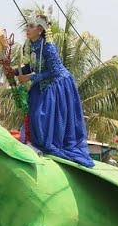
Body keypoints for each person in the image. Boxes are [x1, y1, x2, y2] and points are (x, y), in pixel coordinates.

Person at [14, 13, 93, 168]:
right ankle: (35, 145)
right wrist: (13, 71)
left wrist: (29, 78)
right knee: (31, 115)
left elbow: (55, 72)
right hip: (42, 83)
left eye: (31, 26)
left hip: (57, 84)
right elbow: (31, 67)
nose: (27, 29)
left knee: (41, 117)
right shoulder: (30, 46)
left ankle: (49, 147)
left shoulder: (48, 47)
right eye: (27, 26)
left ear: (40, 30)